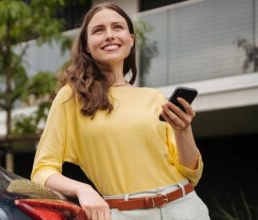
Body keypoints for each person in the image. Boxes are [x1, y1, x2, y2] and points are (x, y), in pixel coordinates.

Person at [31, 2, 210, 220]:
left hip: (186, 208)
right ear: (87, 46)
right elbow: (41, 171)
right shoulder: (72, 97)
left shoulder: (154, 98)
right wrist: (83, 189)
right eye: (99, 30)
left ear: (131, 39)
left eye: (117, 27)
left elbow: (192, 173)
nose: (109, 35)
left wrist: (184, 131)